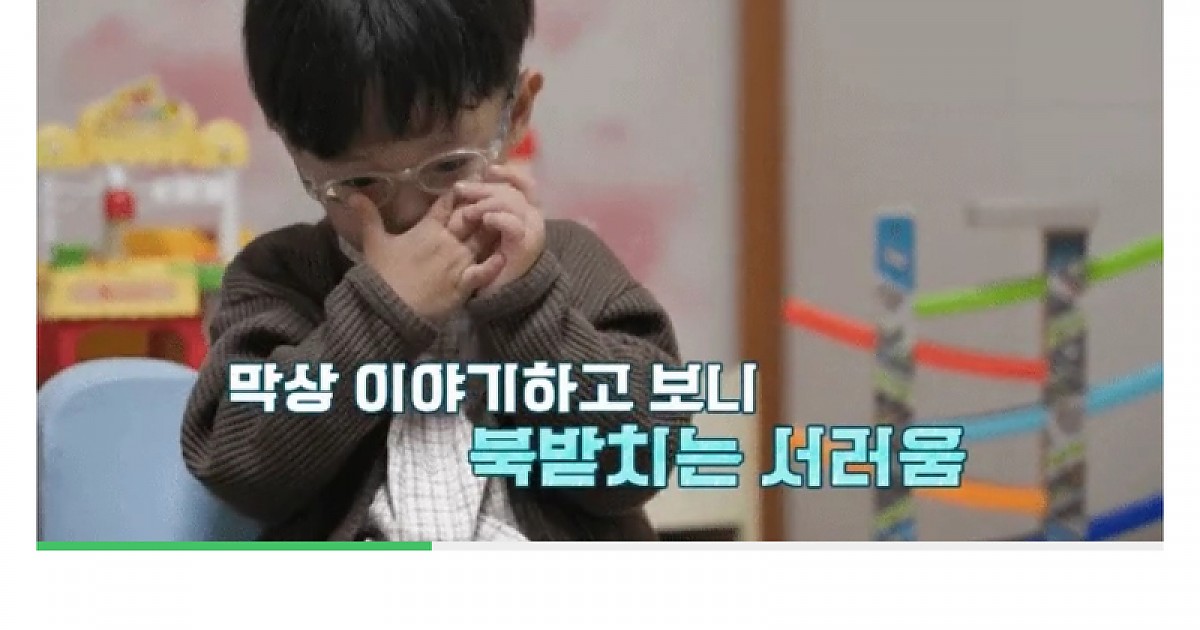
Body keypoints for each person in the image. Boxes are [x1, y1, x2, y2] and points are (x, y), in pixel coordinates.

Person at [181, 0, 693, 541]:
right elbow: (238, 468)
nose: (409, 212)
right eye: (360, 183)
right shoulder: (278, 280)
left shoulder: (570, 262)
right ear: (296, 152)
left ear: (516, 114)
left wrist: (530, 312)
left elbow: (646, 456)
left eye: (447, 166)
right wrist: (377, 316)